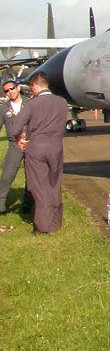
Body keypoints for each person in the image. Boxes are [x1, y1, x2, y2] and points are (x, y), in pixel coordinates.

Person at [16, 72, 69, 233]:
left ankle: (44, 226)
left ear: (34, 86)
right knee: (54, 184)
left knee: (39, 186)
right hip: (56, 146)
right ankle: (55, 223)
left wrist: (19, 138)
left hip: (37, 147)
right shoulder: (62, 102)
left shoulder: (32, 104)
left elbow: (16, 126)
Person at [0, 80, 27, 214]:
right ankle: (1, 206)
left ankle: (27, 206)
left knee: (32, 177)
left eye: (11, 88)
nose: (10, 92)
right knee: (7, 175)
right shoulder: (4, 108)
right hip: (13, 145)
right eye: (6, 91)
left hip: (30, 144)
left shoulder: (30, 103)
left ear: (18, 88)